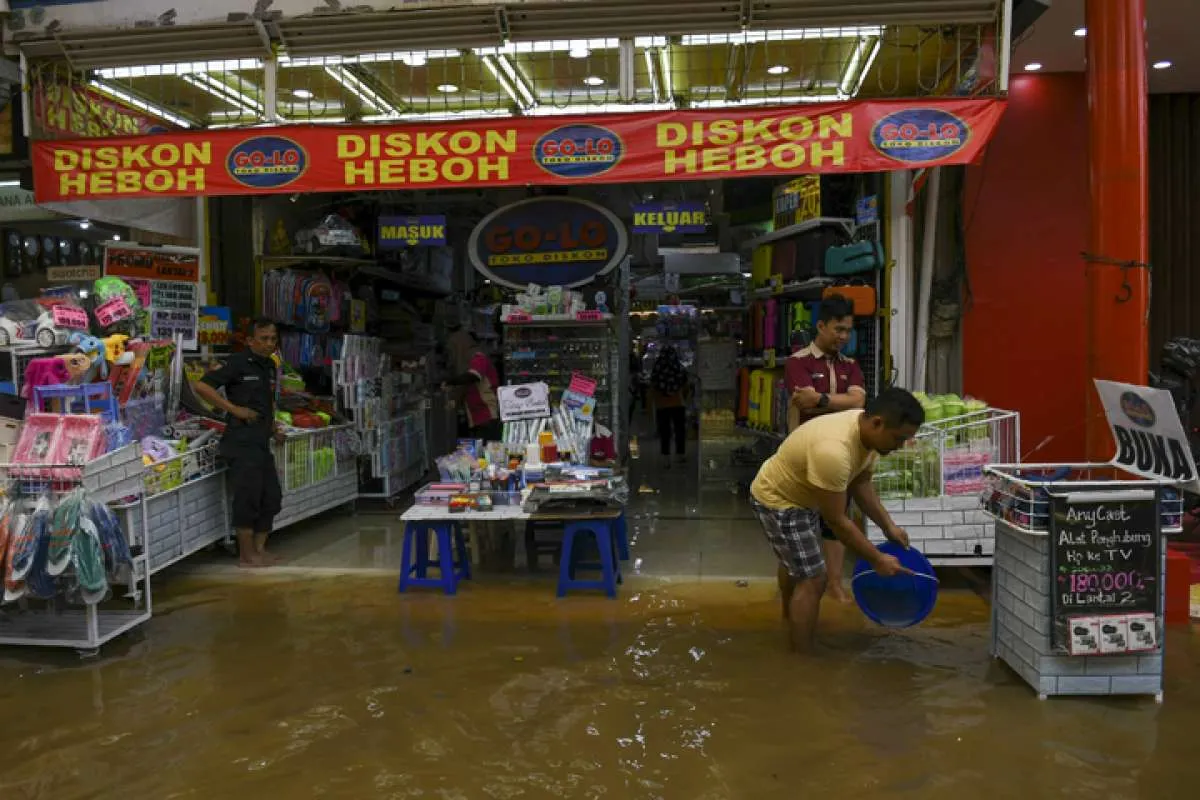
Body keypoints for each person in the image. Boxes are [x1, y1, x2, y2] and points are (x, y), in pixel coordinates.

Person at [749, 387, 924, 653]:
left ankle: (790, 619)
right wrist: (877, 559)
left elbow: (861, 481)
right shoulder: (834, 451)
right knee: (813, 579)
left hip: (804, 493)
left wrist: (888, 526)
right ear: (877, 422)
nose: (899, 447)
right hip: (779, 500)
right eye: (899, 439)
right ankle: (802, 659)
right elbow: (836, 521)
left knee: (796, 563)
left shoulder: (866, 432)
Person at [785, 293, 867, 603]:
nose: (844, 337)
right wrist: (841, 403)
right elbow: (804, 402)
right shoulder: (798, 362)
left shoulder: (851, 365)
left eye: (848, 330)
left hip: (839, 457)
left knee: (836, 520)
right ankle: (802, 586)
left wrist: (820, 400)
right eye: (838, 329)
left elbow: (859, 401)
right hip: (803, 456)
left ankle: (835, 585)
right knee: (800, 522)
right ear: (821, 325)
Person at [193, 319, 285, 569]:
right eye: (264, 338)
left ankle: (259, 549)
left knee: (271, 498)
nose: (269, 344)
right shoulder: (236, 363)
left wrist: (273, 426)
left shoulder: (269, 367)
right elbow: (202, 386)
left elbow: (265, 403)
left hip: (261, 442)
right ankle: (246, 556)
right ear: (250, 341)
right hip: (241, 442)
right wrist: (234, 409)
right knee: (247, 498)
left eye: (273, 339)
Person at [443, 332, 501, 441]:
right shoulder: (468, 362)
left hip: (486, 414)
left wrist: (450, 382)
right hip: (476, 417)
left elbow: (474, 375)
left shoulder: (478, 357)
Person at [649, 344, 688, 468]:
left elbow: (653, 384)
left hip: (662, 404)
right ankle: (680, 454)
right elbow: (685, 383)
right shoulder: (678, 367)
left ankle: (665, 457)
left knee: (665, 432)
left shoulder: (658, 367)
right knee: (679, 430)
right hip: (678, 403)